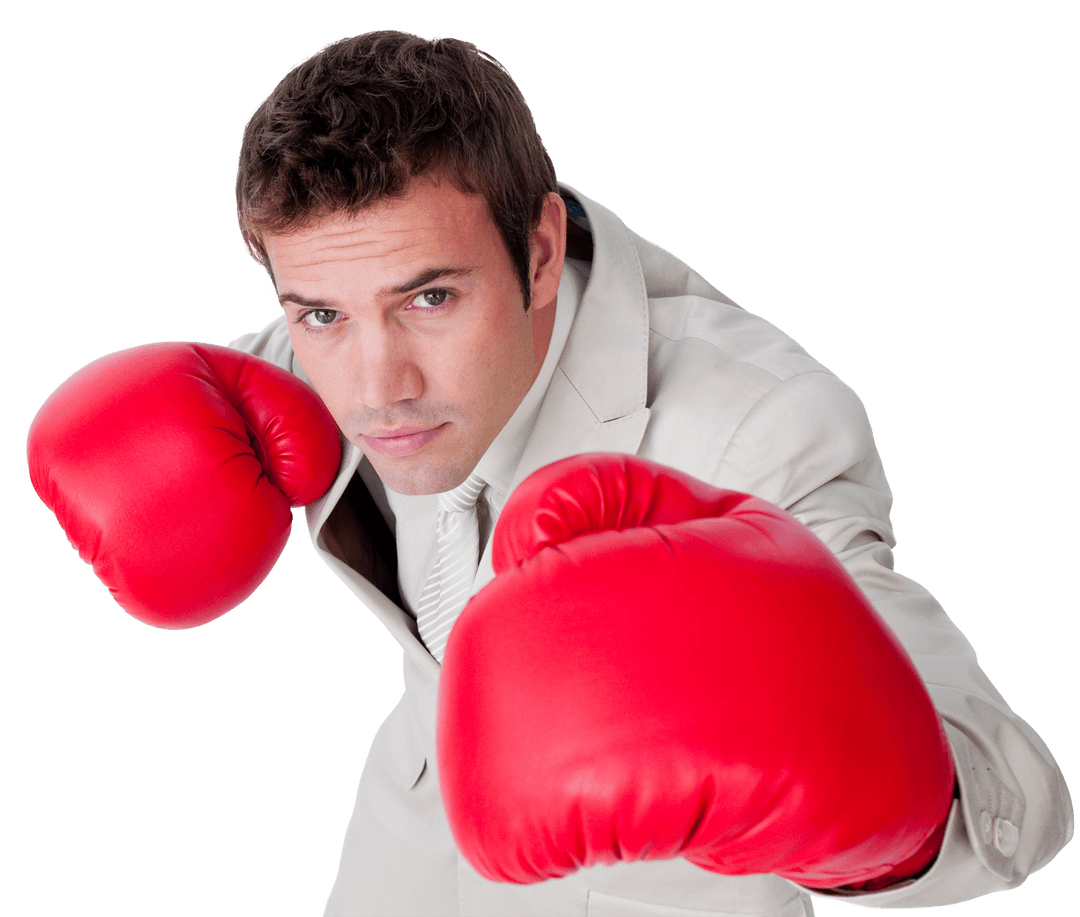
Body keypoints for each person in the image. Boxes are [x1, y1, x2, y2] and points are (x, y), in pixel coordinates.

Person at [27, 28, 1072, 917]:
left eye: (430, 298)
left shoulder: (755, 430)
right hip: (402, 856)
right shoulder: (321, 363)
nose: (378, 384)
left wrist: (896, 819)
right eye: (320, 315)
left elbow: (1013, 807)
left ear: (537, 252)